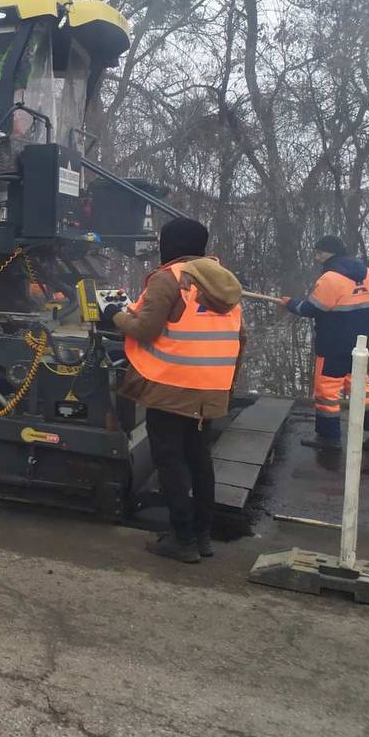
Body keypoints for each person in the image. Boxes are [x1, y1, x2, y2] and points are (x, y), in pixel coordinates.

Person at [100, 218, 245, 564]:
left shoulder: (170, 279)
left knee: (171, 461)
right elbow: (240, 338)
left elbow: (146, 330)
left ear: (171, 244)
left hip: (171, 385)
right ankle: (201, 536)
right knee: (199, 460)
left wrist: (114, 315)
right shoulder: (222, 282)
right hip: (210, 388)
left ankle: (181, 540)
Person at [278, 235, 369, 450]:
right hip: (360, 344)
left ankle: (329, 438)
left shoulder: (330, 278)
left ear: (328, 254)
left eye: (318, 253)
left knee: (327, 390)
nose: (316, 257)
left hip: (332, 345)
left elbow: (311, 308)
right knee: (360, 386)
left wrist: (290, 303)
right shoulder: (368, 272)